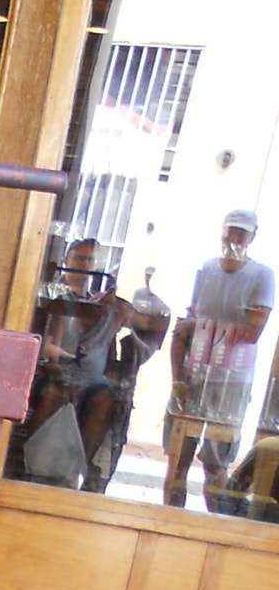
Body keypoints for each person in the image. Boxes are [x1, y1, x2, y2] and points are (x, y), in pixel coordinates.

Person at [17, 239, 168, 492]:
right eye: (79, 259)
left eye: (89, 260)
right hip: (59, 372)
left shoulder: (107, 305)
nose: (84, 265)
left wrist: (146, 301)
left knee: (104, 399)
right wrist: (62, 371)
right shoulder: (59, 300)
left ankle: (78, 470)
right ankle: (26, 465)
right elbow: (47, 346)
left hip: (92, 379)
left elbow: (151, 324)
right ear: (67, 263)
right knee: (54, 395)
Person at [163, 209, 274, 508]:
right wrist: (178, 378)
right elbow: (188, 322)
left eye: (242, 233)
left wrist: (202, 326)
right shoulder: (208, 269)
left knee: (215, 463)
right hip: (194, 375)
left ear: (252, 237)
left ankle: (219, 522)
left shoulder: (262, 275)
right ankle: (169, 520)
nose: (234, 238)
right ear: (222, 233)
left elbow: (253, 332)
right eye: (231, 231)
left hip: (232, 380)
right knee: (177, 462)